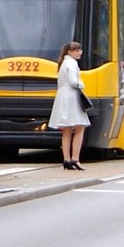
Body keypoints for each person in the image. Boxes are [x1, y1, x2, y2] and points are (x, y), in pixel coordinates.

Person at [49, 41, 90, 170]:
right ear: (70, 52)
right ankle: (75, 158)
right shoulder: (72, 63)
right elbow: (73, 81)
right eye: (77, 50)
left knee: (66, 129)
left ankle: (66, 159)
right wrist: (81, 84)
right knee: (80, 127)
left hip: (62, 96)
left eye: (80, 50)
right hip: (71, 97)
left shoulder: (62, 63)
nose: (80, 53)